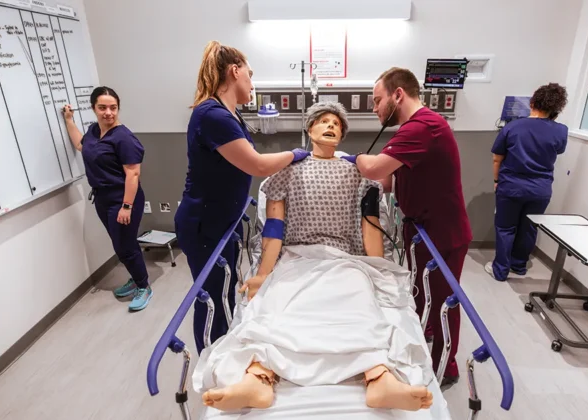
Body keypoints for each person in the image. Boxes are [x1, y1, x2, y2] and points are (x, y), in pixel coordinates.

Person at [193, 102, 434, 412]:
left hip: (344, 260)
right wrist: (264, 274)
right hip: (296, 258)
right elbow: (275, 229)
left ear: (342, 134)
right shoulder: (287, 171)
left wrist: (380, 270)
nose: (330, 125)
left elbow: (371, 227)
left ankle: (380, 376)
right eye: (322, 121)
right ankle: (257, 379)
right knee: (275, 309)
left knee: (360, 308)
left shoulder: (359, 174)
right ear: (309, 129)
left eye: (336, 123)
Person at [176, 41, 310, 354]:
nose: (252, 83)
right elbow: (258, 164)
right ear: (234, 71)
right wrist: (294, 154)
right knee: (209, 297)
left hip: (222, 221)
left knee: (223, 293)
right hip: (203, 224)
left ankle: (226, 351)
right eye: (249, 74)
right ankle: (213, 364)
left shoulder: (229, 115)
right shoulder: (212, 115)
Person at [343, 67, 472, 388]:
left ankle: (447, 367)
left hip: (442, 233)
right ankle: (423, 337)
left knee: (443, 301)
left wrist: (348, 159)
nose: (374, 109)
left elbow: (374, 168)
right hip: (419, 230)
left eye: (376, 101)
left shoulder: (424, 126)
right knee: (421, 294)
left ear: (397, 94)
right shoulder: (410, 130)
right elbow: (386, 181)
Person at [63, 87, 152, 312]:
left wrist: (126, 206)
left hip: (123, 199)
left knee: (125, 245)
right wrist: (69, 121)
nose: (108, 113)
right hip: (102, 199)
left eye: (113, 108)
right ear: (94, 108)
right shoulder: (94, 131)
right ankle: (135, 276)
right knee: (120, 243)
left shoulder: (124, 137)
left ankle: (143, 286)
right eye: (102, 108)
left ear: (118, 109)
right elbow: (80, 145)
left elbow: (133, 174)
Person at [484, 83, 569, 281]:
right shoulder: (560, 131)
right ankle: (519, 266)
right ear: (557, 108)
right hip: (540, 189)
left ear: (532, 103)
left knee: (506, 227)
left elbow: (497, 158)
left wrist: (497, 180)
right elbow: (558, 151)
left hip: (511, 186)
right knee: (529, 227)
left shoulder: (513, 127)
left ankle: (500, 270)